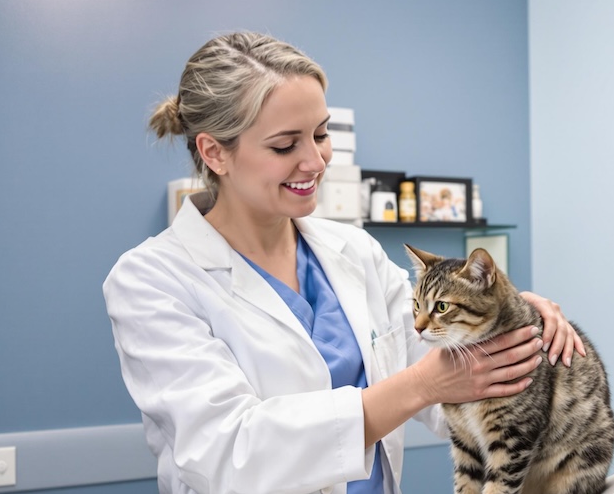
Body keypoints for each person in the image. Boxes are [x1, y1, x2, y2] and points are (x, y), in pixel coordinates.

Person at [103, 31, 584, 494]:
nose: (315, 161)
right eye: (285, 145)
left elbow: (454, 380)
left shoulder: (354, 252)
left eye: (321, 133)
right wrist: (420, 386)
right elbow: (231, 455)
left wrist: (508, 323)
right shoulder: (151, 281)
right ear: (215, 153)